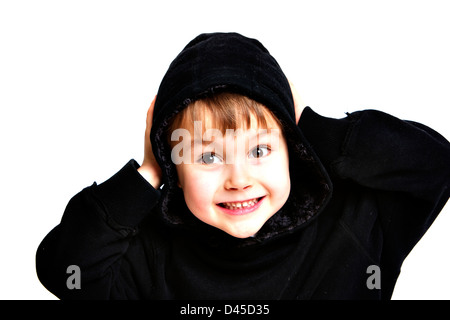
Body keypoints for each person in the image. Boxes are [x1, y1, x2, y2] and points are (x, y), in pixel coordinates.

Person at [36, 32, 450, 300]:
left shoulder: (354, 226)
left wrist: (309, 126)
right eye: (208, 156)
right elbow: (66, 269)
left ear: (292, 150)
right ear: (175, 166)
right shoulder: (151, 256)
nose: (238, 179)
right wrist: (147, 173)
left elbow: (435, 165)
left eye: (259, 151)